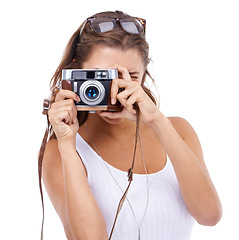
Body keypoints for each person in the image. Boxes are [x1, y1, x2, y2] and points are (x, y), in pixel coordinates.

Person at [40, 10, 222, 240]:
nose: (115, 92)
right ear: (77, 73)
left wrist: (156, 120)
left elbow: (210, 216)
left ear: (145, 73)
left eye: (129, 77)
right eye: (101, 76)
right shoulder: (61, 151)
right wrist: (67, 143)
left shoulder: (178, 130)